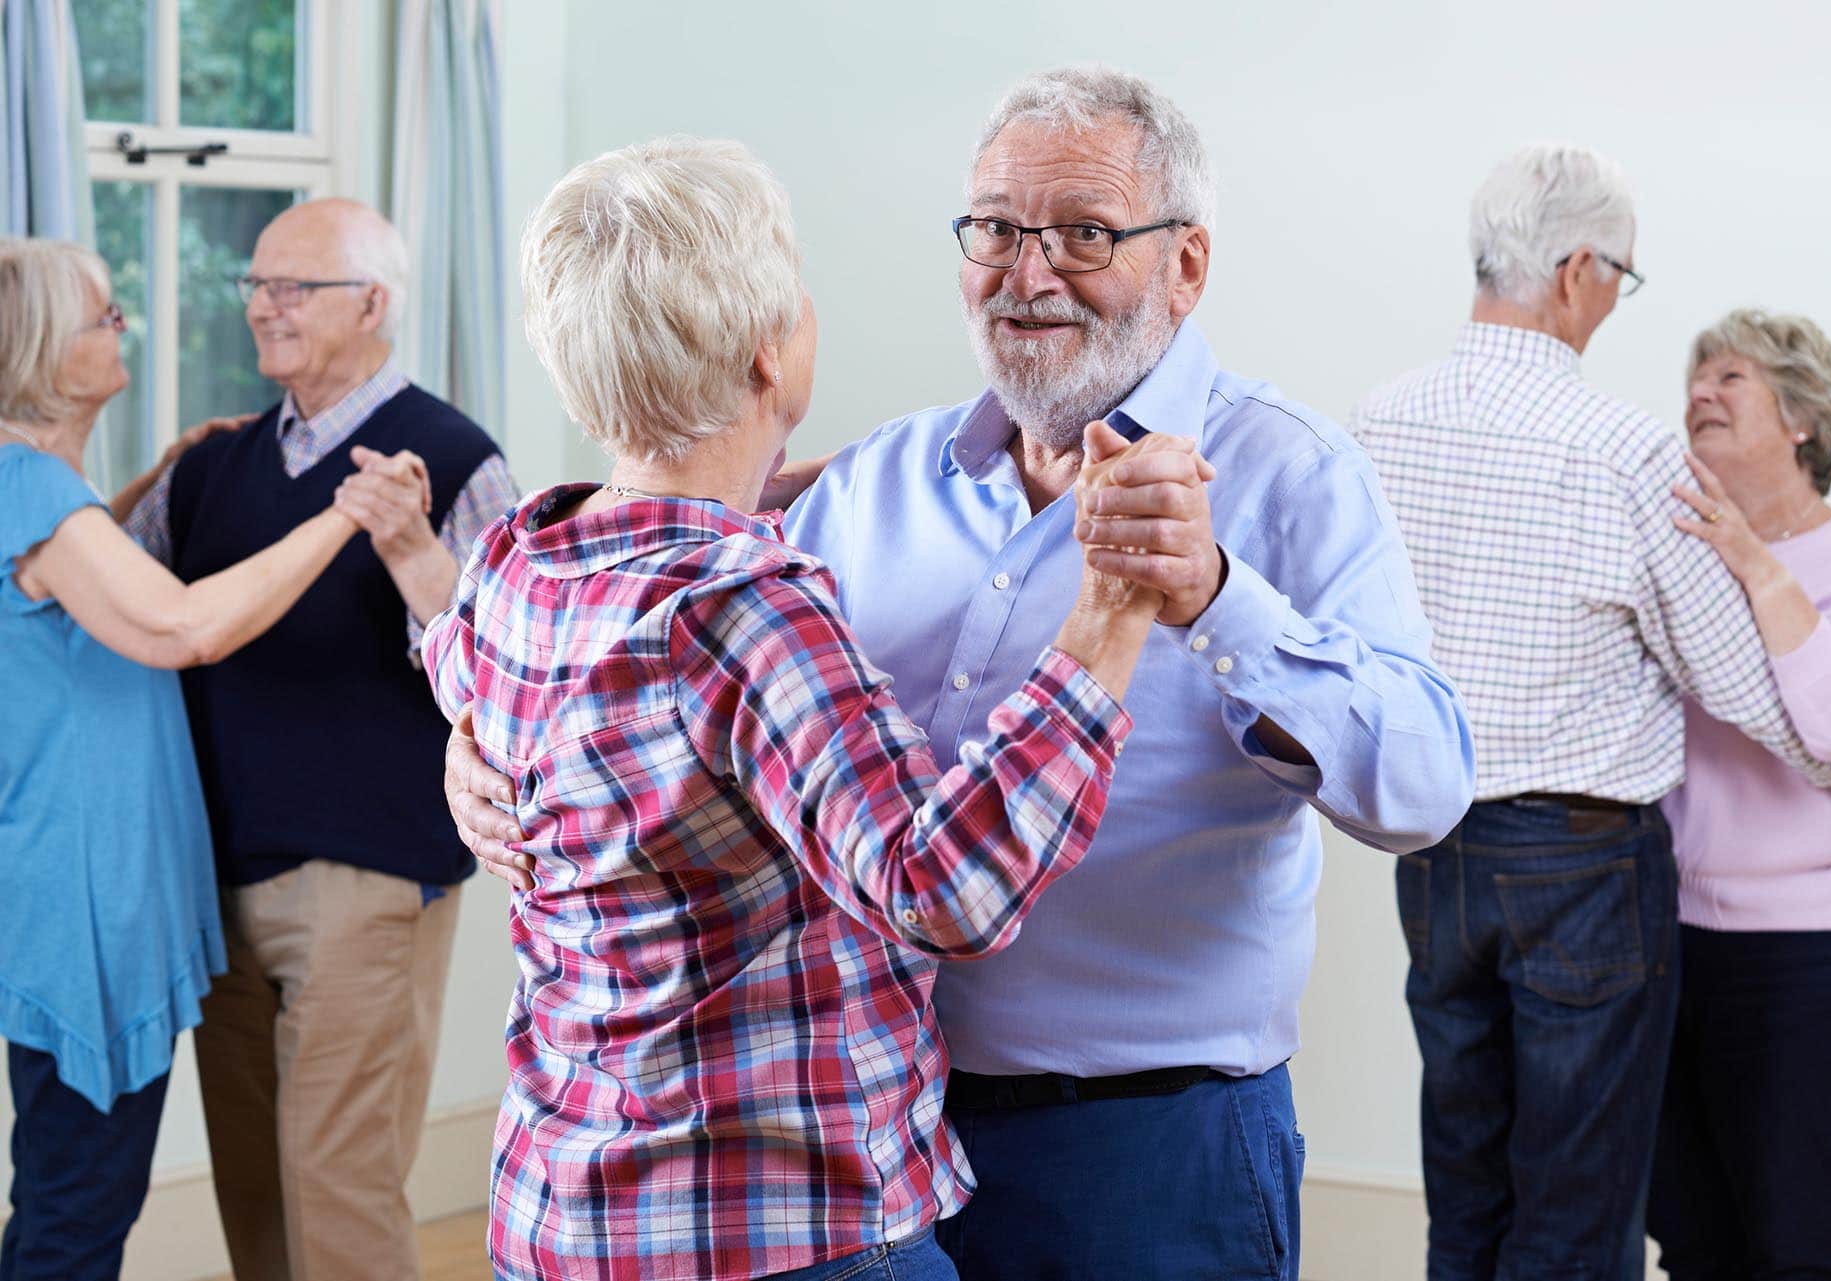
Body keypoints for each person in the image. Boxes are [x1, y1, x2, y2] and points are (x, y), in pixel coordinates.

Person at [450, 67, 1475, 1280]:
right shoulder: (870, 481)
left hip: (1146, 1151)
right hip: (868, 1147)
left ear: (1186, 266)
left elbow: (1423, 790)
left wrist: (1216, 596)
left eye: (1084, 233)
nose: (1028, 274)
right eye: (995, 228)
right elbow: (637, 677)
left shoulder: (1293, 477)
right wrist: (474, 756)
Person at [427, 135, 1188, 1281]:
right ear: (767, 353)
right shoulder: (745, 610)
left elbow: (461, 673)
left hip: (559, 1217)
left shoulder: (519, 560)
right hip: (782, 1231)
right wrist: (1109, 618)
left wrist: (462, 747)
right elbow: (941, 892)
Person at [1349, 148, 1831, 1280]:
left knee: (1469, 1189)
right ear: (1577, 271)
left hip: (1438, 853)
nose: (1617, 302)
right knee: (1584, 1208)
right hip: (1584, 872)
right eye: (1623, 279)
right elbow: (1735, 683)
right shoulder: (1621, 451)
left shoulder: (1380, 421)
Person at [117, 198, 520, 1281]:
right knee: (255, 1182)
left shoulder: (452, 457)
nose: (264, 308)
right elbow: (112, 604)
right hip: (217, 874)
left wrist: (403, 545)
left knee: (337, 1185)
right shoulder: (210, 464)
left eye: (293, 287)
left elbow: (502, 672)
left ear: (373, 303)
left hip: (367, 880)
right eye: (255, 286)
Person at [0, 238, 392, 1279]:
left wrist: (149, 478)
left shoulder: (44, 496)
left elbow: (64, 585)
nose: (119, 326)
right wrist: (342, 515)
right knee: (78, 1211)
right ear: (41, 351)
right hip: (87, 908)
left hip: (76, 888)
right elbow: (178, 628)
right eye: (100, 317)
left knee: (60, 1188)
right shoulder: (32, 488)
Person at [1649, 309, 1831, 1280]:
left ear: (1802, 417)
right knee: (1694, 1240)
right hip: (1674, 943)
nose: (1700, 394)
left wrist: (1755, 559)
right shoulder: (1680, 554)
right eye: (1695, 377)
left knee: (1797, 1243)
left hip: (1813, 957)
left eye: (1731, 377)